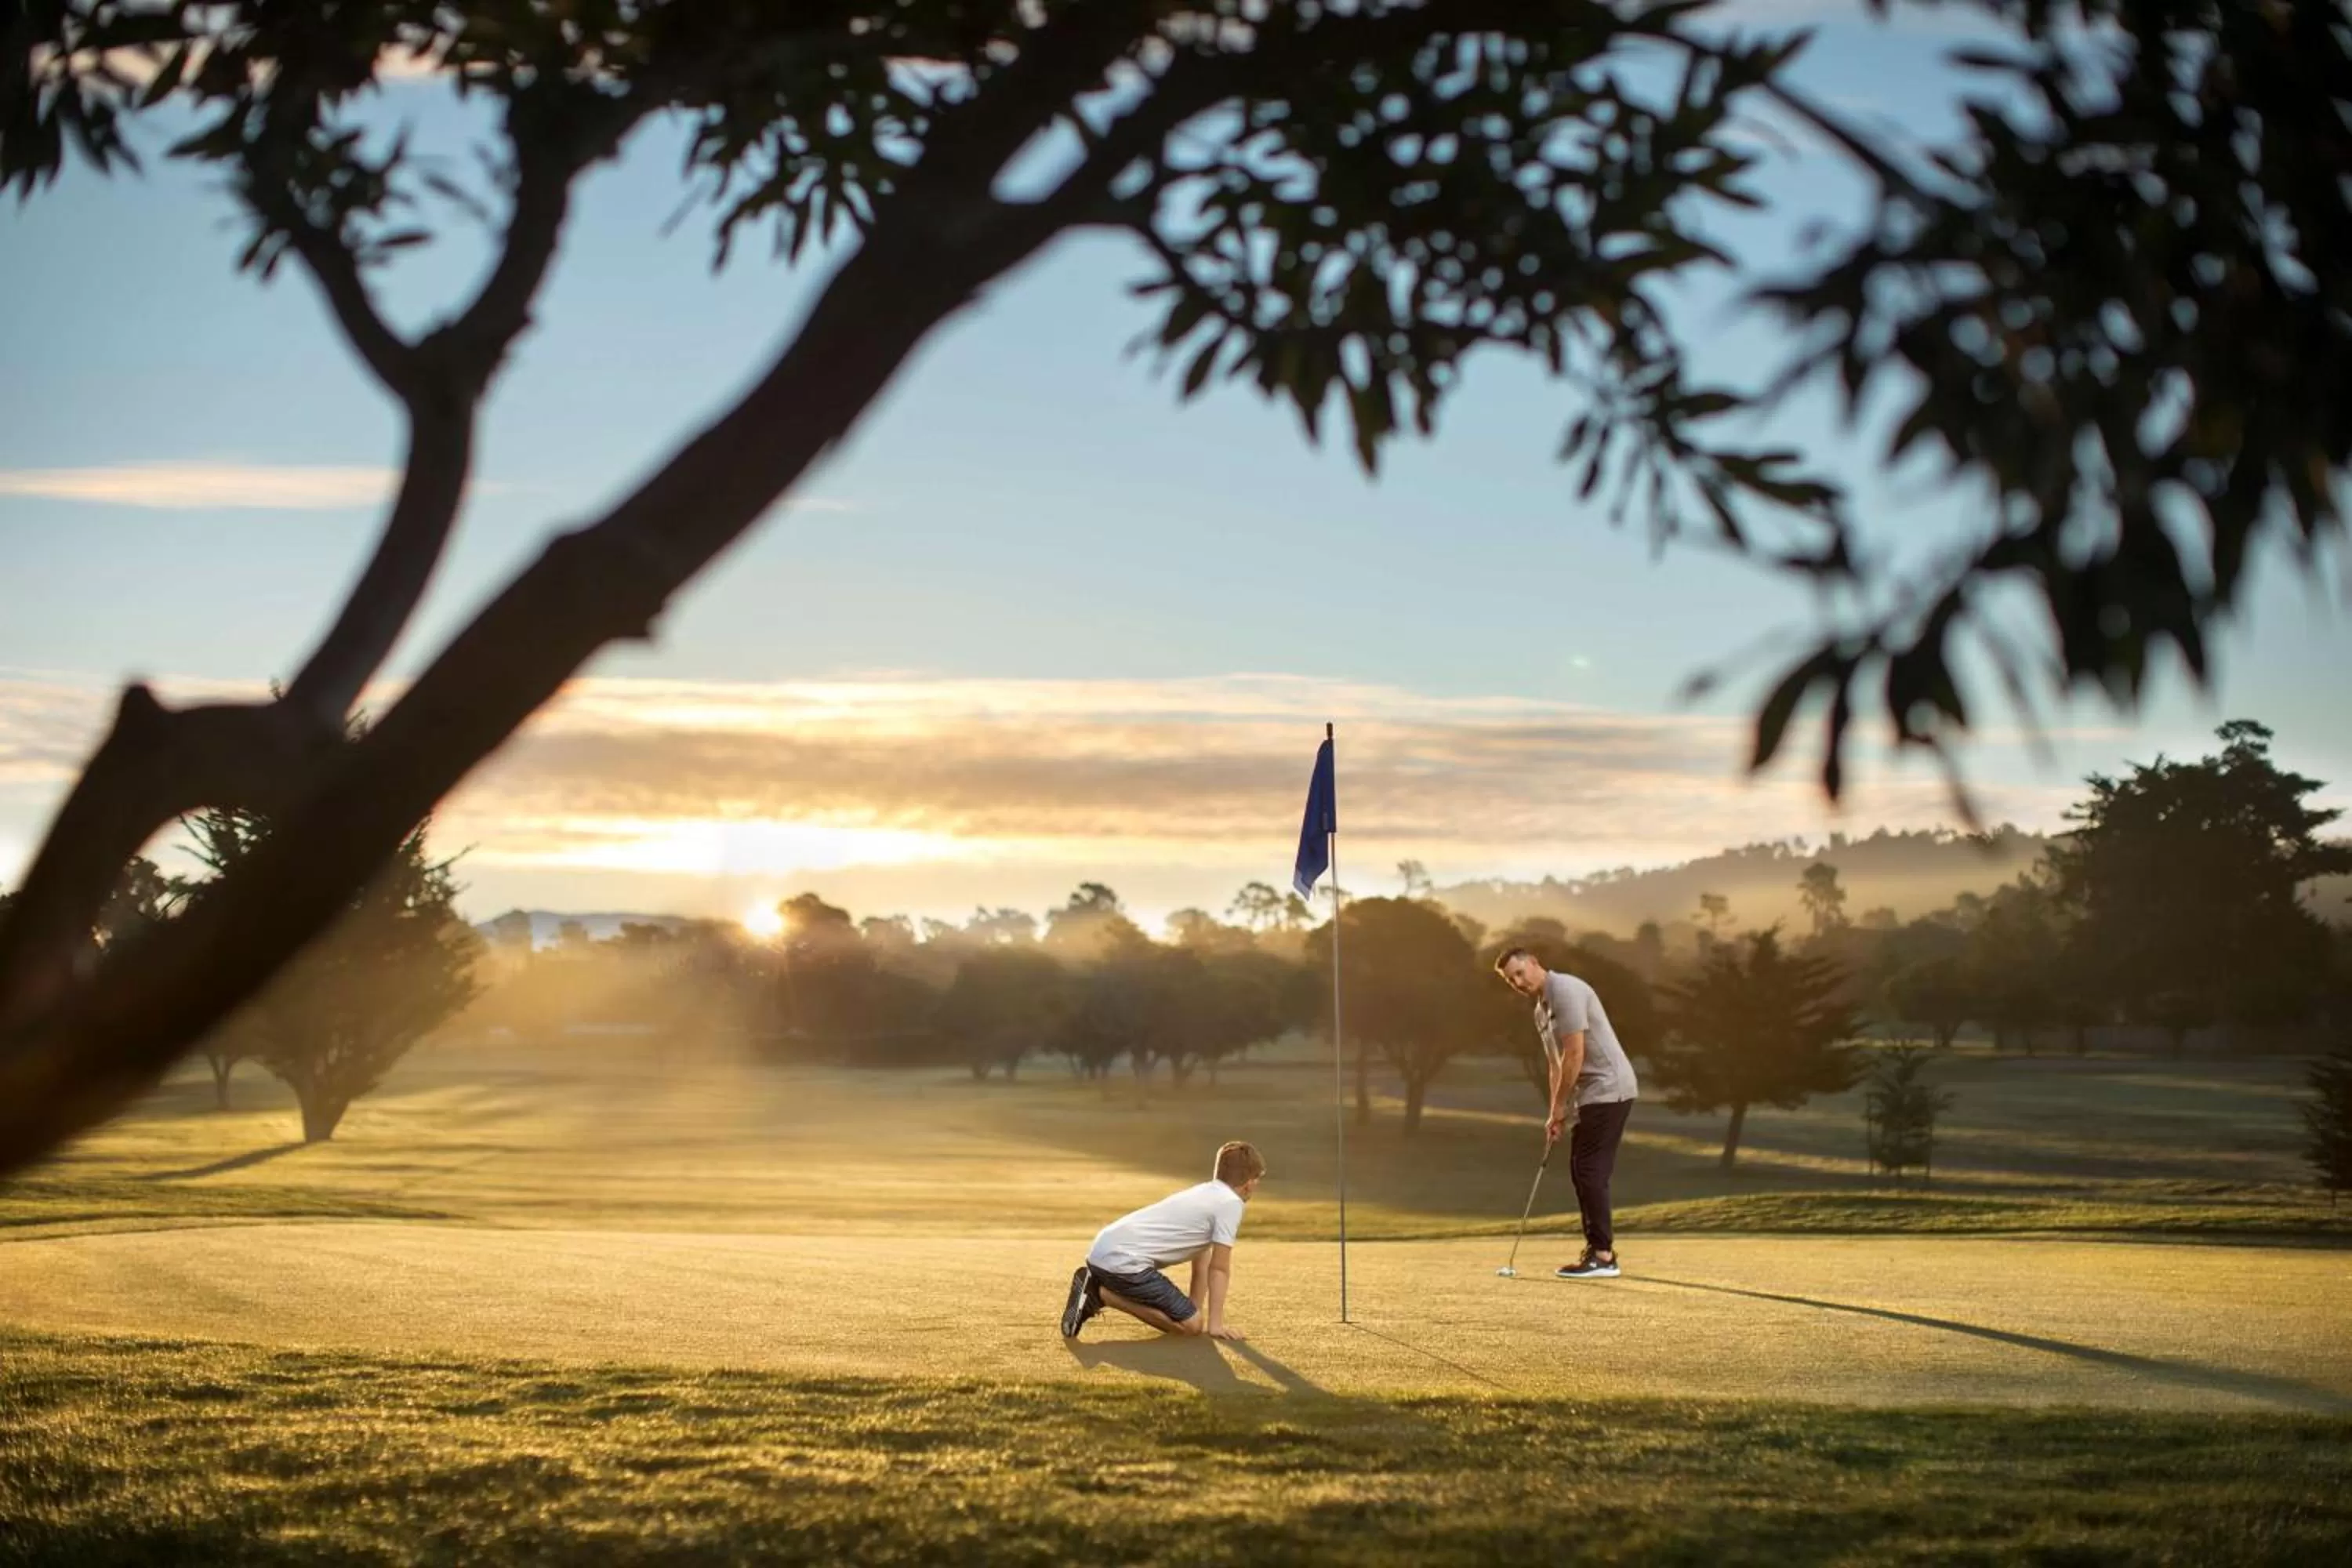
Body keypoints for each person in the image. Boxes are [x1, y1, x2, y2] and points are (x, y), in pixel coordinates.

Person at [1494, 947, 1638, 1279]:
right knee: (1582, 1170)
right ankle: (1599, 1250)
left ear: (1534, 963)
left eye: (1519, 972)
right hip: (1591, 1093)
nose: (1517, 982)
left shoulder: (1567, 991)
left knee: (1590, 1170)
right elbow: (1555, 1065)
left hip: (1609, 1087)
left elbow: (1575, 1053)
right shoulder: (1541, 1011)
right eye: (1510, 979)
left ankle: (1602, 1256)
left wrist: (1561, 1106)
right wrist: (1553, 1113)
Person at [1061, 1140, 1265, 1341]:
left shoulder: (1205, 1193)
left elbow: (1202, 1261)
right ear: (1249, 1184)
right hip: (1124, 1262)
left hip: (1102, 1251)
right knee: (1191, 1327)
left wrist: (1194, 1309)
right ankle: (1100, 1294)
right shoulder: (1231, 1204)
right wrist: (1215, 1325)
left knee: (1193, 1319)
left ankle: (1096, 1283)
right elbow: (1219, 1269)